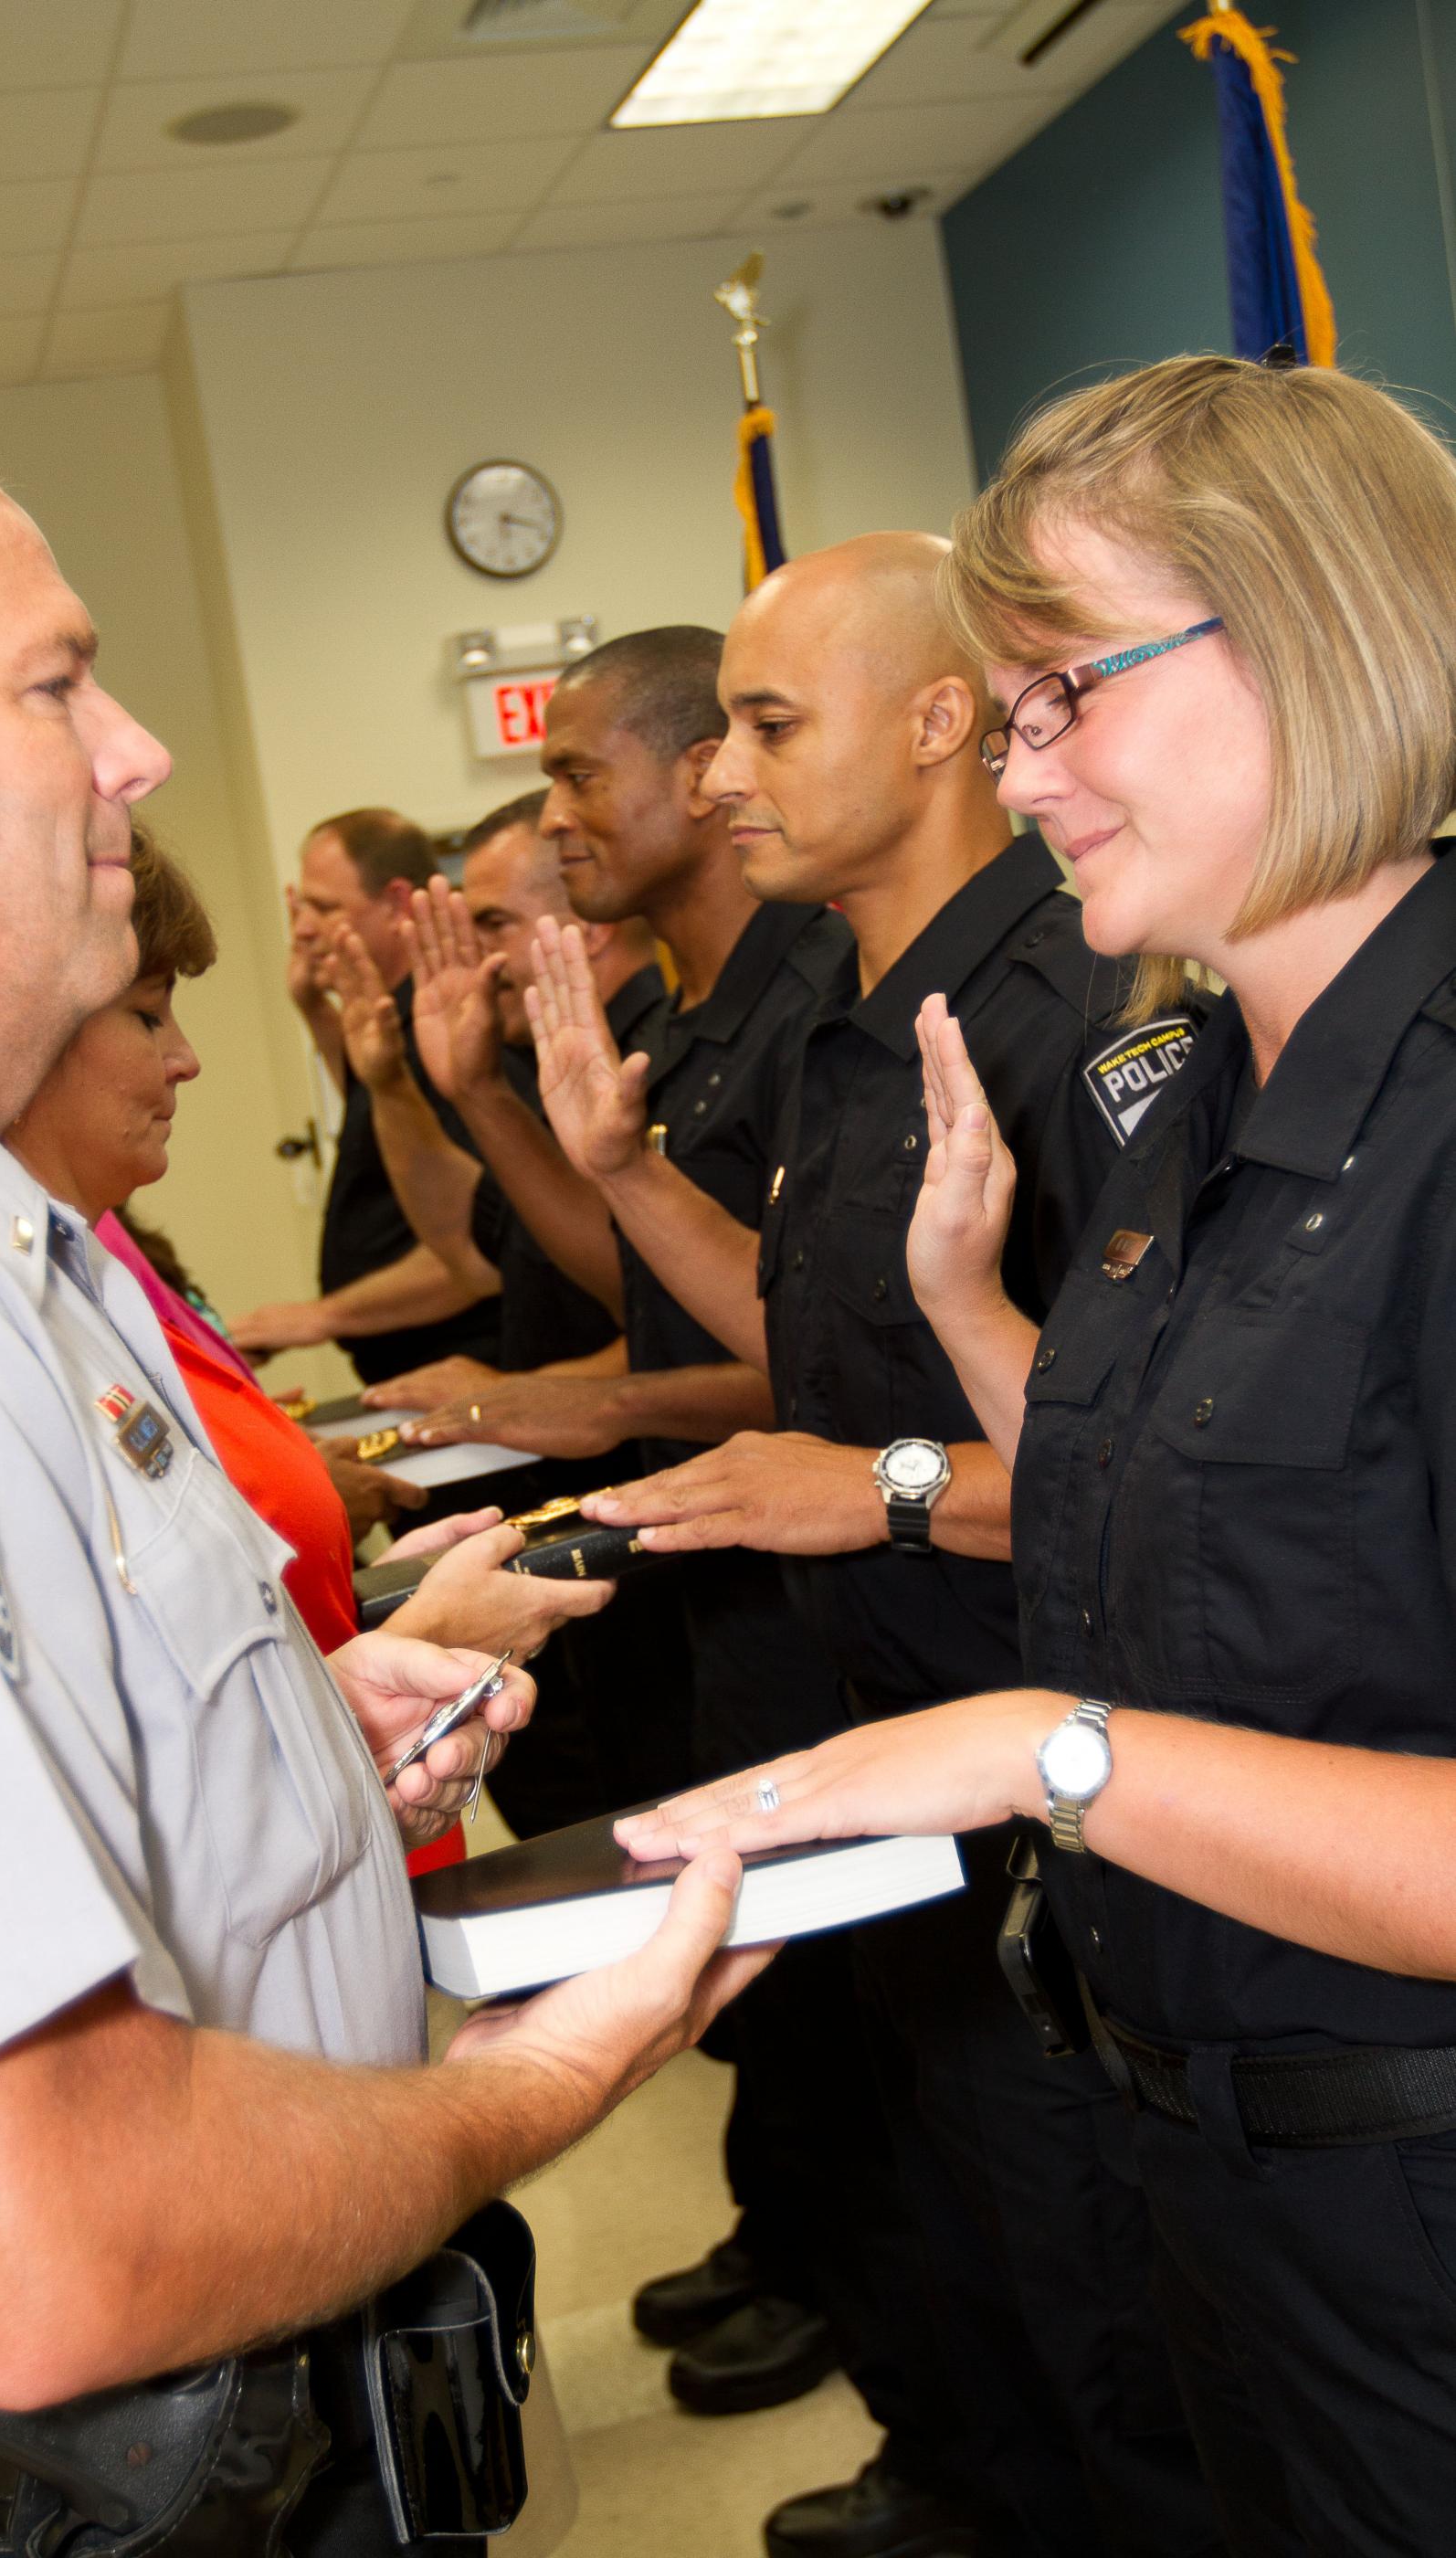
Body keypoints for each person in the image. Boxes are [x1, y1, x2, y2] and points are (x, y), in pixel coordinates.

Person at [0, 382, 766, 2558]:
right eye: (53, 682)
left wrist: (287, 1760)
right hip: (102, 2477)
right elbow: (50, 2242)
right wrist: (535, 2077)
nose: (136, 752)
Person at [614, 354, 1456, 2558]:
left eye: (1064, 692)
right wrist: (983, 1315)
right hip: (1203, 2169)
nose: (1026, 772)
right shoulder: (1176, 1077)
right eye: (1003, 712)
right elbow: (1190, 1528)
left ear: (1309, 636)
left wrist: (1044, 1750)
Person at [527, 536, 1215, 2558]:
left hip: (1058, 1769)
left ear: (938, 723)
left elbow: (1150, 1458)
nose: (727, 771)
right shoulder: (853, 992)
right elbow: (805, 1335)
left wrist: (881, 1479)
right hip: (888, 1719)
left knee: (1098, 2284)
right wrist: (622, 1172)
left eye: (765, 721)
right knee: (958, 2214)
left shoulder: (1087, 1000)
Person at [394, 635, 902, 2452]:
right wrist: (508, 1111)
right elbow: (647, 1286)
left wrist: (601, 1404)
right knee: (781, 1992)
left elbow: (761, 1341)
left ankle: (862, 2294)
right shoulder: (705, 1011)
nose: (558, 817)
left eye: (574, 780)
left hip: (837, 1550)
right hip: (725, 1555)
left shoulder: (814, 986)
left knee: (857, 2011)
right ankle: (813, 2248)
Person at [5, 818, 620, 1875]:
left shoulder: (96, 1263)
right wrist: (423, 1624)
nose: (186, 1058)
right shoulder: (29, 1303)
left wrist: (387, 1604)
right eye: (148, 1015)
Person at [314, 789, 686, 1832]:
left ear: (590, 927)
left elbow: (668, 1304)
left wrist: (532, 1392)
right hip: (557, 1516)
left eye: (493, 926)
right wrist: (406, 1083)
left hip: (649, 1532)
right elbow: (471, 1243)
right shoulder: (527, 1054)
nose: (476, 961)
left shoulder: (650, 1049)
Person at [234, 806, 500, 1385]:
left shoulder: (441, 1026)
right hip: (405, 1369)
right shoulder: (387, 1015)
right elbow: (377, 1124)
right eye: (301, 907)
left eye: (325, 908)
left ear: (398, 903)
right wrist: (314, 1012)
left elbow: (485, 1241)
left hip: (467, 1362)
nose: (303, 928)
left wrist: (322, 1317)